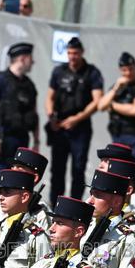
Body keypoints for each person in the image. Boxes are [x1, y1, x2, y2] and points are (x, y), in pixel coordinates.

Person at [0, 42, 39, 214]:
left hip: (22, 140)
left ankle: (8, 215)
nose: (33, 62)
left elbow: (34, 114)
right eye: (30, 58)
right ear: (22, 58)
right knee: (1, 178)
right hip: (3, 139)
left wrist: (37, 141)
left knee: (18, 180)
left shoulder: (29, 85)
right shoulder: (0, 81)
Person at [45, 37, 103, 204]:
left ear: (82, 53)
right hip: (60, 127)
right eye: (69, 53)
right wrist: (51, 117)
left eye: (75, 53)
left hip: (80, 127)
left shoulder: (92, 72)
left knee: (78, 169)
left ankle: (73, 206)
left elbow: (97, 100)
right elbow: (49, 97)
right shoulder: (59, 71)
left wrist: (77, 119)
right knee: (57, 169)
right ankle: (55, 205)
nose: (72, 57)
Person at [97, 52, 135, 199]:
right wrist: (116, 88)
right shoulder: (119, 87)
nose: (128, 73)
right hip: (119, 137)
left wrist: (113, 105)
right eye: (124, 70)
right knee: (116, 175)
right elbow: (101, 105)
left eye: (131, 68)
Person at [0, 147, 49, 239]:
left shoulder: (41, 214)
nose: (13, 170)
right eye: (13, 167)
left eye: (20, 168)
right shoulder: (4, 202)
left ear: (35, 178)